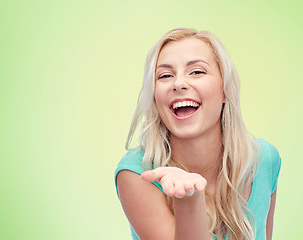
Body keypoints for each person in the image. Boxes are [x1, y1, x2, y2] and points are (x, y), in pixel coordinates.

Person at [114, 28, 281, 240]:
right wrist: (188, 199)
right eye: (165, 75)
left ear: (224, 90)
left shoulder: (265, 160)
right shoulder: (137, 174)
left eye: (197, 72)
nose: (179, 84)